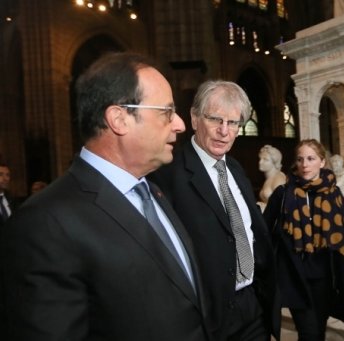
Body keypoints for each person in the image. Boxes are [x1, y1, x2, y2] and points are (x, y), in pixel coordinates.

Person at [0, 52, 212, 340]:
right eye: (166, 112)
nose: (180, 124)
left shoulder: (155, 192)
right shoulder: (44, 224)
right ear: (119, 119)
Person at [149, 80, 280, 341]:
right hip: (207, 316)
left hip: (252, 305)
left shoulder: (236, 169)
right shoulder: (167, 175)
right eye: (215, 120)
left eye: (233, 123)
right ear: (195, 118)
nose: (224, 131)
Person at [263, 139, 344, 341]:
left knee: (319, 333)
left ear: (322, 162)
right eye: (300, 159)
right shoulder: (283, 194)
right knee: (309, 334)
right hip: (294, 279)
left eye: (310, 158)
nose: (305, 164)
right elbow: (263, 233)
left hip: (325, 280)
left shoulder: (334, 195)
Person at [258, 145, 286, 211]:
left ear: (275, 162)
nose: (260, 162)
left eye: (265, 159)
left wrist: (265, 207)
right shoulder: (269, 178)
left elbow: (282, 205)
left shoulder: (279, 179)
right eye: (260, 158)